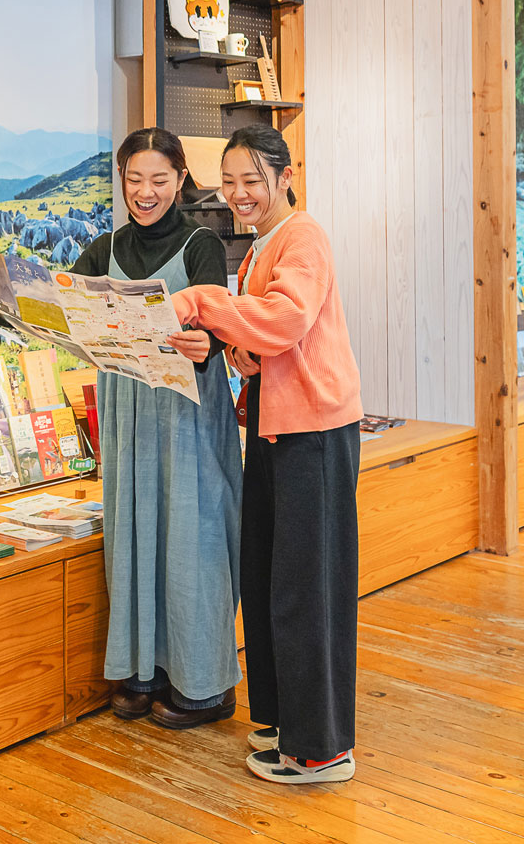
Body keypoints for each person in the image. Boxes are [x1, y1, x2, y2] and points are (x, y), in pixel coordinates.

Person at [0, 126, 242, 728]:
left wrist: (210, 344)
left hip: (186, 416)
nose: (146, 192)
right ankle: (144, 671)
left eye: (159, 180)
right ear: (122, 180)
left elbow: (222, 325)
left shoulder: (201, 245)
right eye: (134, 179)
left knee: (192, 539)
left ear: (180, 180)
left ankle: (205, 685)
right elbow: (57, 313)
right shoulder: (104, 248)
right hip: (126, 413)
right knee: (134, 532)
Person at [171, 124, 364, 785]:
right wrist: (238, 350)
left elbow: (284, 320)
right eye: (229, 182)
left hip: (314, 431)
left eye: (252, 180)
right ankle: (287, 722)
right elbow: (261, 339)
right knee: (269, 578)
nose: (239, 194)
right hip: (275, 428)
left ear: (285, 177)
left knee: (307, 588)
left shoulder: (303, 236)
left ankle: (321, 750)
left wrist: (204, 303)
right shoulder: (260, 244)